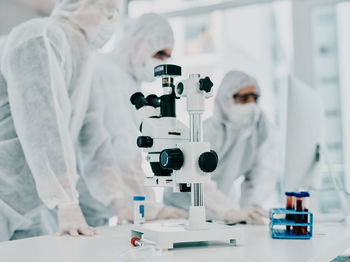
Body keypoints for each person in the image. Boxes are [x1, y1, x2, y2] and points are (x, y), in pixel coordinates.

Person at [0, 0, 129, 241]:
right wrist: (66, 201)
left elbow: (94, 137)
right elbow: (40, 123)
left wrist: (118, 200)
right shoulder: (38, 36)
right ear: (78, 4)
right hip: (5, 190)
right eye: (107, 9)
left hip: (32, 204)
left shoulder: (85, 59)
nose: (111, 20)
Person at [82, 13, 188, 227]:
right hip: (88, 194)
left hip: (101, 202)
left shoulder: (129, 81)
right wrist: (151, 207)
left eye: (167, 56)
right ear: (137, 42)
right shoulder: (108, 75)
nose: (162, 62)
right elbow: (123, 150)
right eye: (159, 54)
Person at [164, 70, 278, 224]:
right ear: (225, 100)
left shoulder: (257, 132)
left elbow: (262, 173)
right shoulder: (206, 132)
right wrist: (228, 211)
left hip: (223, 211)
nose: (251, 105)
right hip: (182, 210)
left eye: (255, 98)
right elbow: (198, 180)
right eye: (244, 98)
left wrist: (251, 208)